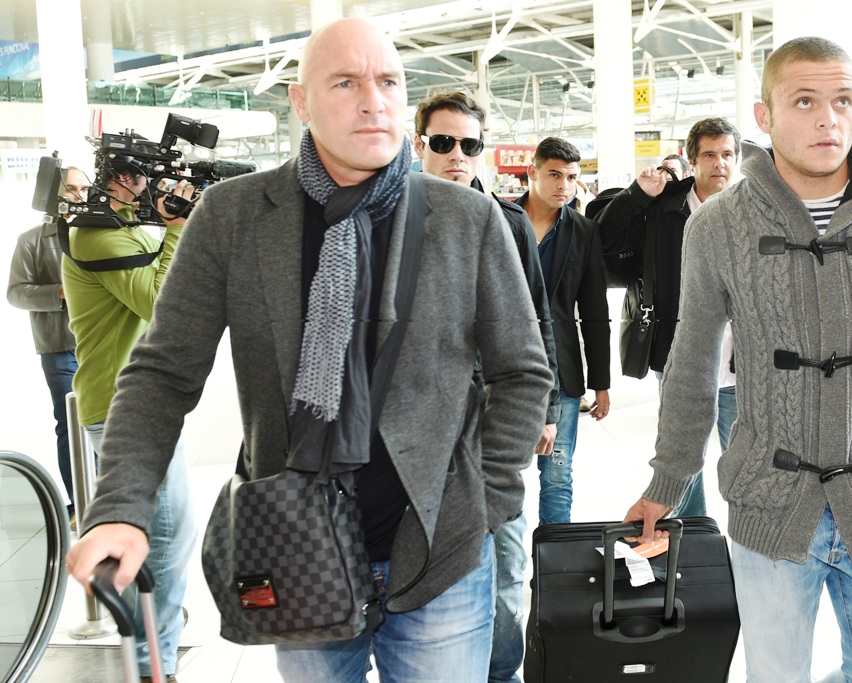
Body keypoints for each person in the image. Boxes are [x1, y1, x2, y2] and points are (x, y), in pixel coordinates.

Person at [66, 18, 553, 683]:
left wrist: (485, 499)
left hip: (440, 554)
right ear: (301, 101)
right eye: (345, 83)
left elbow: (521, 370)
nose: (373, 101)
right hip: (296, 544)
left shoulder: (465, 217)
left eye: (388, 82)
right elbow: (161, 372)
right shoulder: (234, 215)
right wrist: (120, 508)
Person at [624, 36, 852, 682]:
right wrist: (667, 479)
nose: (827, 119)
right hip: (770, 501)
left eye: (843, 101)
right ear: (765, 116)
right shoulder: (717, 225)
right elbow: (693, 358)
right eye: (805, 101)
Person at [413, 90, 559, 683]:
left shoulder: (509, 222)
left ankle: (500, 672)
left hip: (497, 415)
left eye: (469, 144)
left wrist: (547, 408)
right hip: (425, 426)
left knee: (505, 560)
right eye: (443, 142)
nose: (457, 155)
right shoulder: (395, 220)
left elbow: (539, 319)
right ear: (420, 144)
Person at [61, 159, 198, 683]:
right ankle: (149, 663)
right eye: (141, 175)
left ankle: (157, 636)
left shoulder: (122, 230)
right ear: (119, 178)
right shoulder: (95, 235)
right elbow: (160, 302)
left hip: (140, 402)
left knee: (167, 534)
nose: (149, 185)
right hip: (122, 408)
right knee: (165, 538)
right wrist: (177, 229)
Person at [597, 117, 741, 517]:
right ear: (692, 160)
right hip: (679, 356)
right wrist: (636, 195)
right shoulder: (662, 207)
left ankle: (748, 538)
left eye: (727, 154)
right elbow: (605, 240)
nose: (719, 163)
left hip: (742, 361)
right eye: (709, 155)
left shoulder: (752, 209)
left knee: (745, 461)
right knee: (681, 458)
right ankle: (692, 536)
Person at [517, 137, 610, 525]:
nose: (564, 185)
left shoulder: (583, 231)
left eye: (571, 177)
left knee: (557, 477)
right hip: (506, 369)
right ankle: (505, 563)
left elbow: (594, 310)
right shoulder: (501, 220)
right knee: (501, 477)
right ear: (532, 172)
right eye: (554, 175)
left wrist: (600, 383)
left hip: (564, 372)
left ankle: (554, 563)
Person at [7, 167, 88, 525]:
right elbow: (15, 293)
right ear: (53, 192)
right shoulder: (31, 240)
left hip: (102, 344)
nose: (79, 195)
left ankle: (107, 501)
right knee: (71, 425)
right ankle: (79, 504)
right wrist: (59, 292)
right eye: (71, 188)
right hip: (60, 347)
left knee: (109, 423)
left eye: (84, 188)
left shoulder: (99, 232)